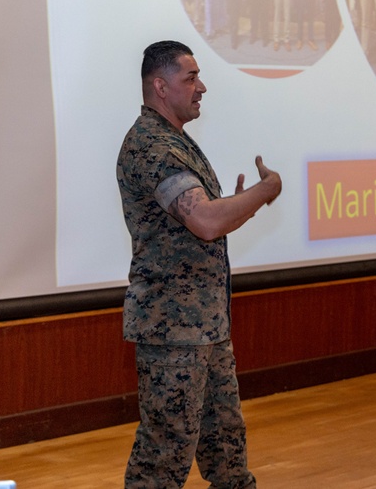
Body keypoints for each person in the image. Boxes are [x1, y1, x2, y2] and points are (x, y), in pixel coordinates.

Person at [117, 40, 282, 489]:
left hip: (204, 326)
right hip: (173, 332)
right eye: (190, 78)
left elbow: (202, 217)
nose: (201, 87)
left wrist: (236, 203)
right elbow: (206, 222)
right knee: (163, 457)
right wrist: (263, 193)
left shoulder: (175, 141)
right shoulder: (152, 146)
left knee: (226, 448)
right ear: (160, 85)